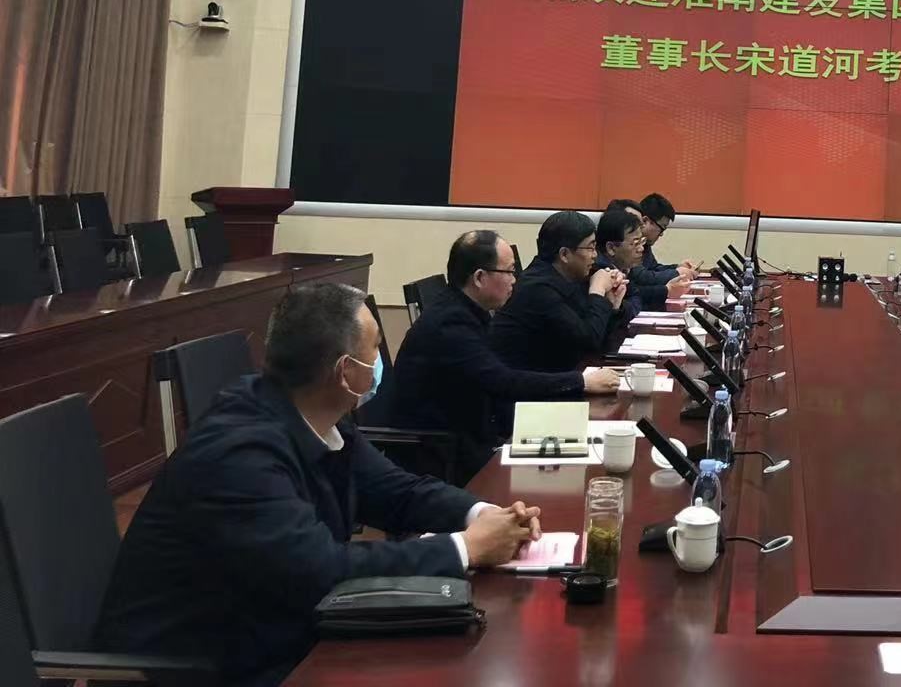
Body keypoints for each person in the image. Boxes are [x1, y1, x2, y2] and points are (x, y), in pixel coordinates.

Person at [93, 283, 541, 686]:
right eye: (376, 350)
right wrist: (465, 548)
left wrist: (483, 514)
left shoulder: (314, 414)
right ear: (345, 371)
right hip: (205, 664)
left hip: (273, 632)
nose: (381, 363)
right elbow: (320, 572)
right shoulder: (238, 455)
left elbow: (396, 491)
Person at [371, 230, 621, 483]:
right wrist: (581, 382)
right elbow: (502, 382)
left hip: (473, 433)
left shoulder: (468, 310)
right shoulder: (450, 323)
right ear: (480, 277)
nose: (515, 280)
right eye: (509, 272)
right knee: (567, 479)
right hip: (441, 453)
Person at [492, 210, 627, 373]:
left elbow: (596, 340)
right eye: (590, 248)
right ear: (564, 254)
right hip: (529, 383)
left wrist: (612, 305)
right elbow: (588, 343)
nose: (595, 255)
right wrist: (597, 291)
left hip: (558, 373)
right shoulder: (538, 288)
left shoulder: (568, 279)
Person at [613, 193, 693, 310]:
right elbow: (640, 277)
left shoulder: (643, 244)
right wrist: (673, 278)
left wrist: (677, 267)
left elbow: (651, 268)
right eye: (662, 228)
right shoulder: (609, 259)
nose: (640, 248)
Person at [594, 206, 647, 346]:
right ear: (611, 248)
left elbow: (635, 296)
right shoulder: (601, 271)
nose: (641, 249)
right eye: (635, 243)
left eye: (641, 242)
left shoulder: (623, 268)